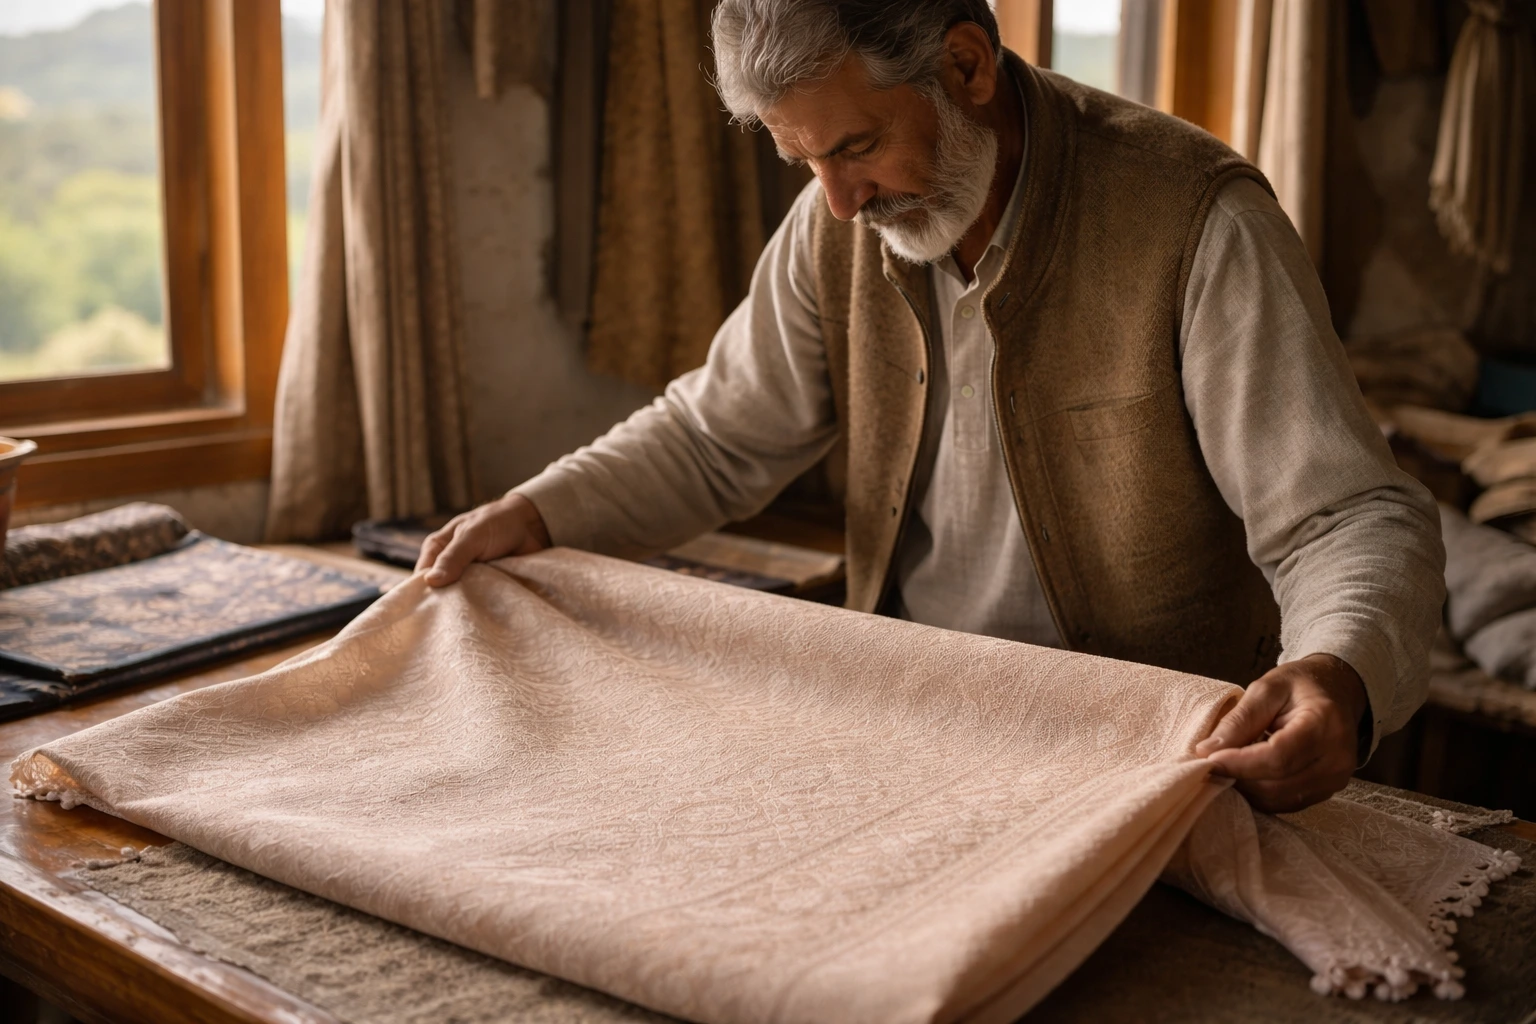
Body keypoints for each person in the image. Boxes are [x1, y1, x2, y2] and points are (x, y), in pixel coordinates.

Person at [416, 0, 1445, 814]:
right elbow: (712, 435)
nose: (837, 201)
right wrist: (538, 514)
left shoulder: (1195, 219)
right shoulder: (841, 225)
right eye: (802, 162)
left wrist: (1334, 672)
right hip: (921, 724)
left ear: (965, 65)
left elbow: (1347, 517)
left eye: (856, 147)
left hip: (1161, 753)